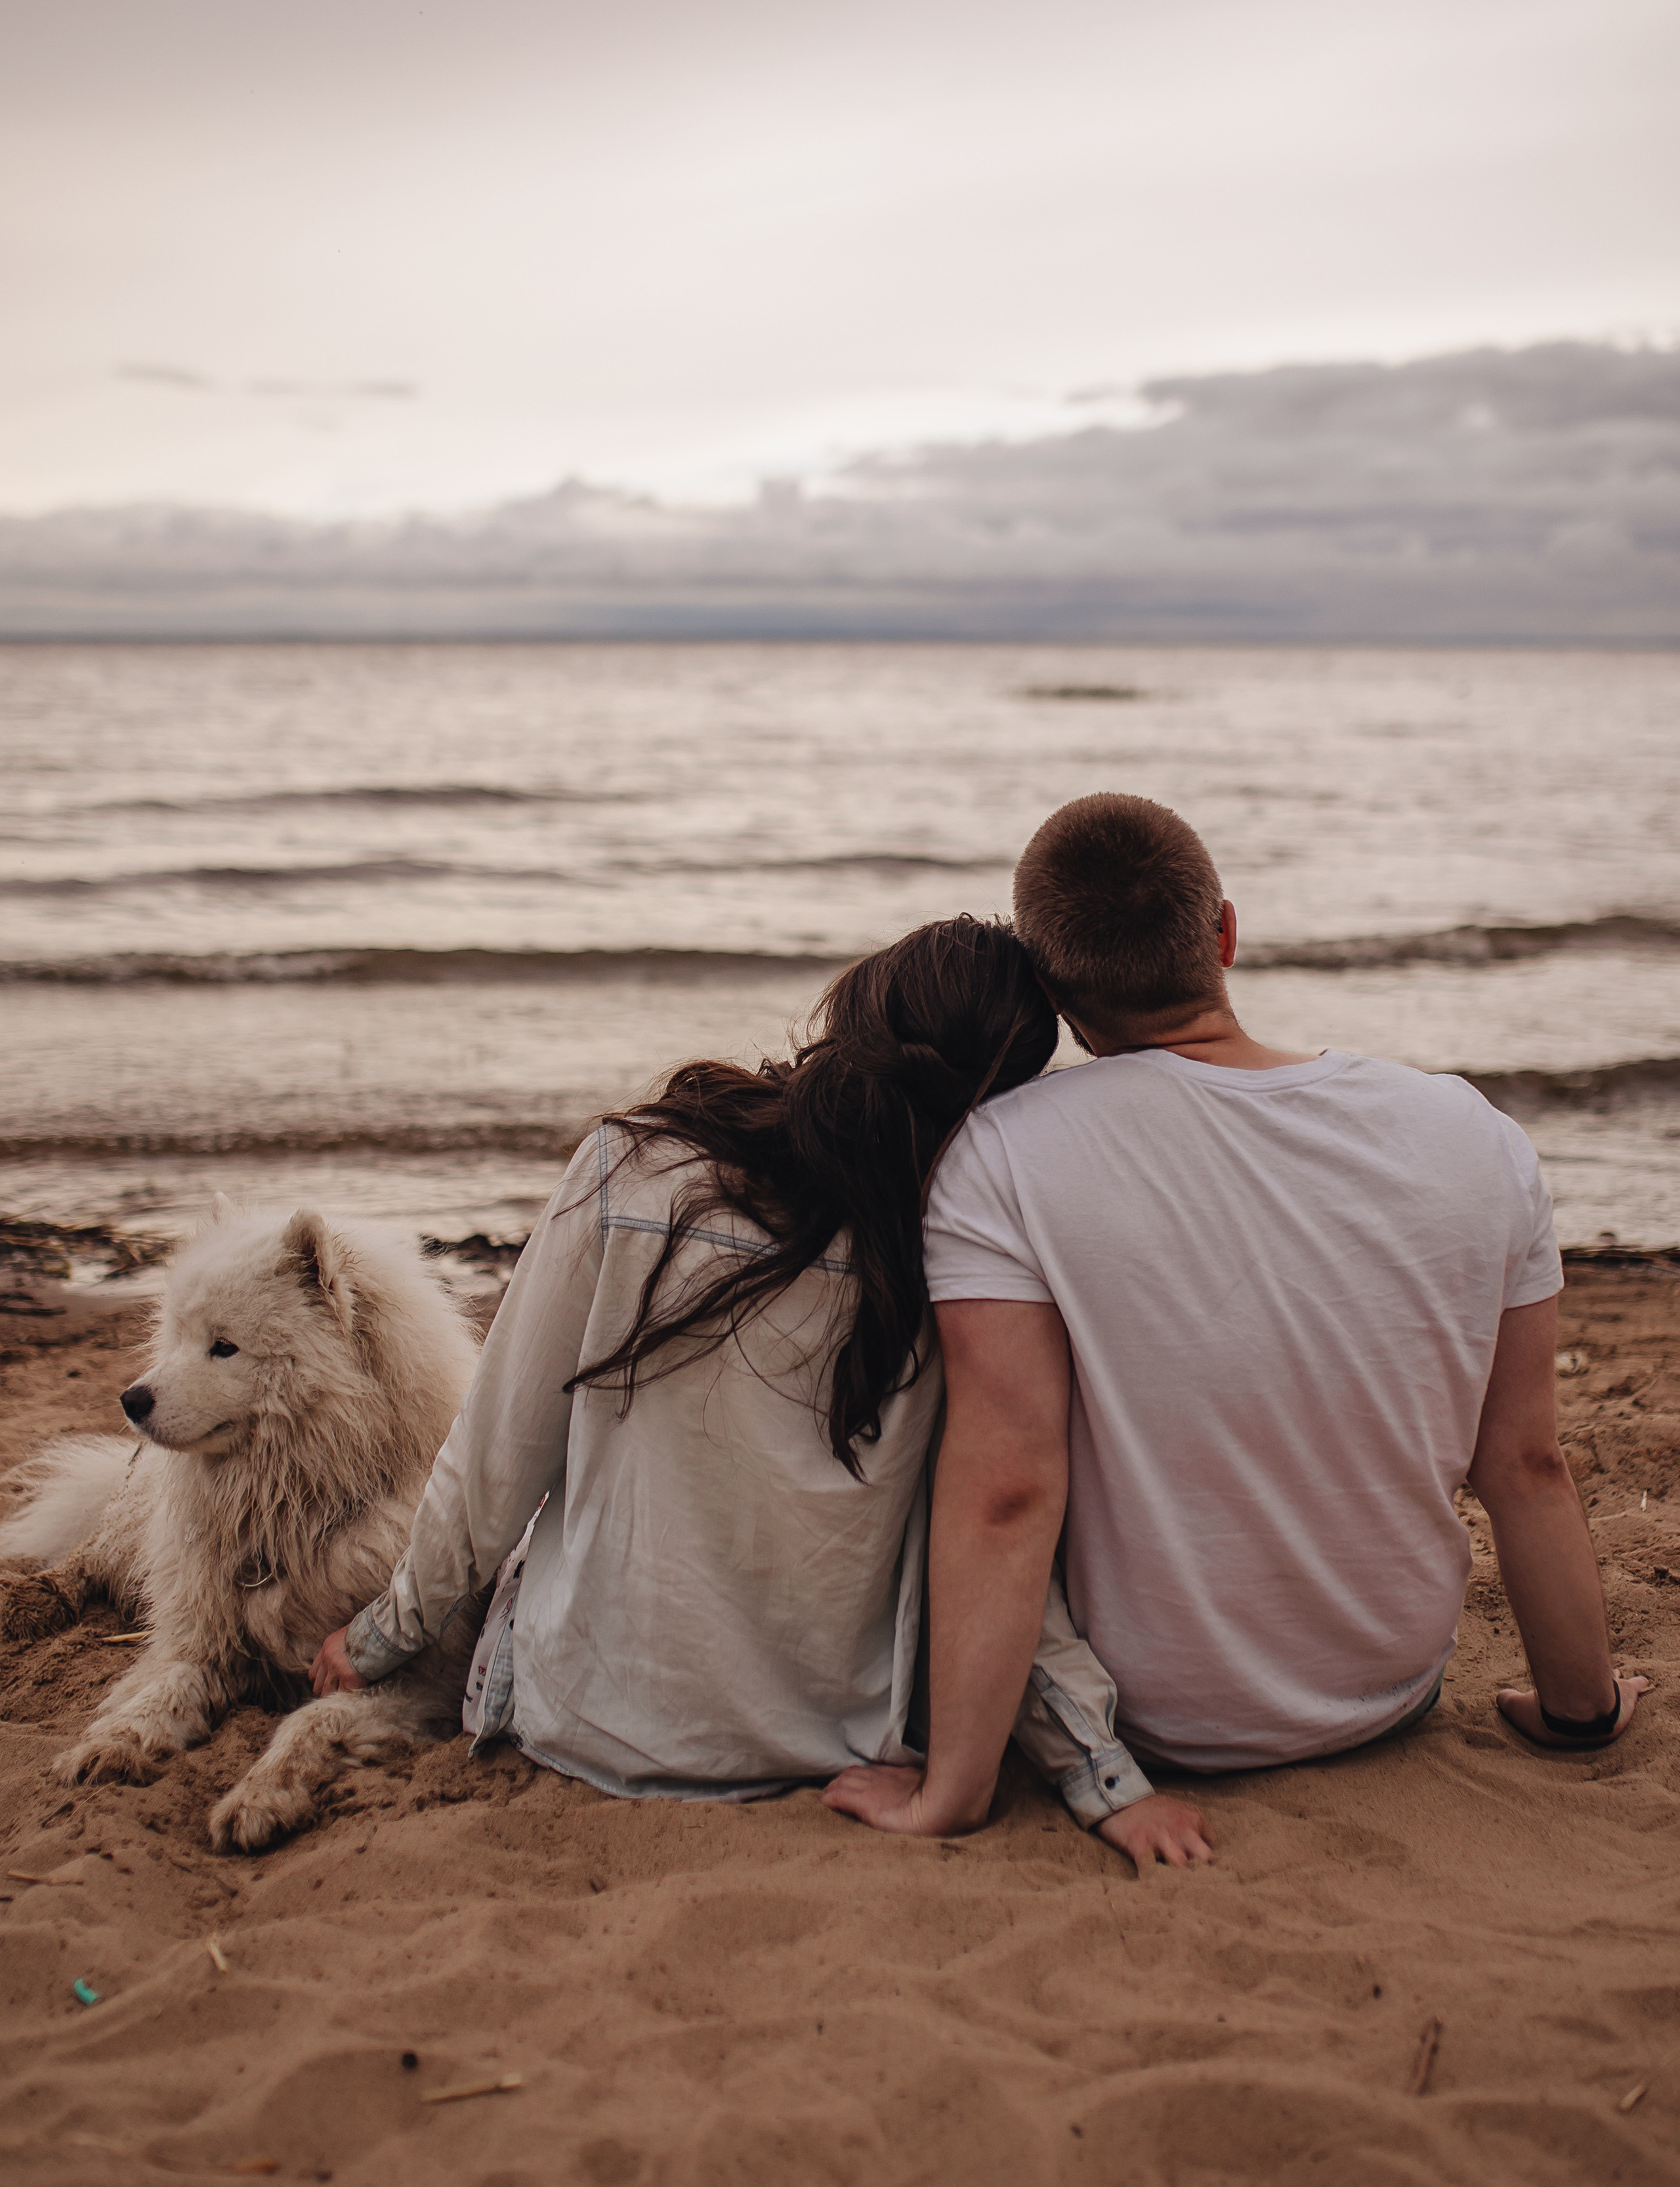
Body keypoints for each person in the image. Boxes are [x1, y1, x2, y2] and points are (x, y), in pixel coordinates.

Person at [824, 794, 1649, 1852]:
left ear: (1052, 989)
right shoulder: (1471, 1133)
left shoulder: (1005, 1155)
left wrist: (952, 1795)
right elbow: (1528, 1463)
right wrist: (1581, 1711)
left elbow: (1009, 1488)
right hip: (1388, 1688)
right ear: (1223, 931)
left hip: (1155, 1719)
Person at [309, 916, 1191, 1858]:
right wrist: (1100, 1776)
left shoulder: (633, 1169)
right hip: (831, 1746)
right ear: (1001, 1105)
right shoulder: (964, 1269)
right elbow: (999, 1537)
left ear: (852, 1012)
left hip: (594, 1721)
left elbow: (495, 1461)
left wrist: (378, 1640)